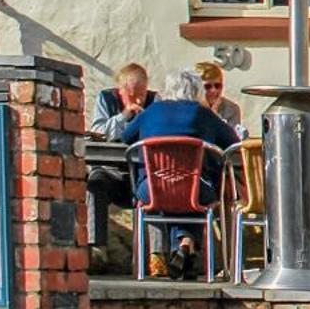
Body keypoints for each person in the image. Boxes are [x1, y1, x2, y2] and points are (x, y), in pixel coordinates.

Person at [120, 69, 240, 278]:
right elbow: (232, 141)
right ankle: (186, 242)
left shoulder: (152, 111)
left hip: (151, 188)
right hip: (195, 189)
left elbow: (125, 136)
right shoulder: (204, 114)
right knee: (188, 188)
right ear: (196, 91)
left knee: (173, 189)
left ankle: (184, 246)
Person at [86, 63, 156, 260]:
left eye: (141, 94)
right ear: (120, 91)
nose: (138, 100)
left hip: (143, 172)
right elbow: (98, 132)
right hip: (113, 172)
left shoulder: (154, 101)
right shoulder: (106, 99)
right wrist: (124, 116)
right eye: (132, 96)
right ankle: (97, 250)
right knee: (95, 183)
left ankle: (155, 256)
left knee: (158, 187)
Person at [197, 60, 243, 131]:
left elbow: (231, 139)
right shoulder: (188, 108)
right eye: (208, 86)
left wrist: (213, 115)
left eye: (217, 86)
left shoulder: (232, 109)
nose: (213, 90)